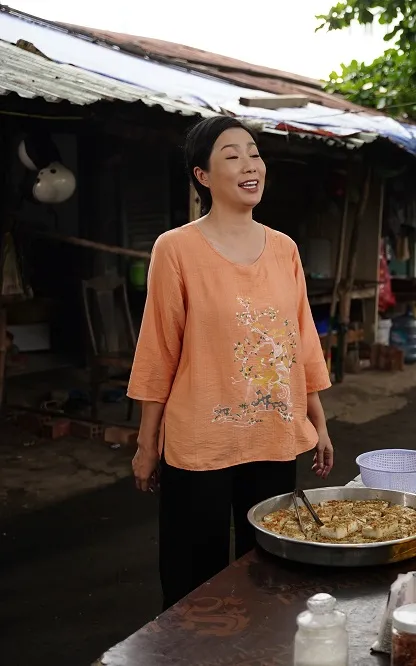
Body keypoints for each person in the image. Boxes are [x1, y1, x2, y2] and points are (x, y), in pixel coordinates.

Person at [127, 116, 335, 609]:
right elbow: (159, 348)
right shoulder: (175, 249)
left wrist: (318, 422)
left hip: (274, 436)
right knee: (193, 583)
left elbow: (301, 341)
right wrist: (146, 442)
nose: (250, 165)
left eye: (255, 153)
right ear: (202, 176)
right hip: (201, 442)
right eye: (232, 155)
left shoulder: (284, 249)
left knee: (269, 573)